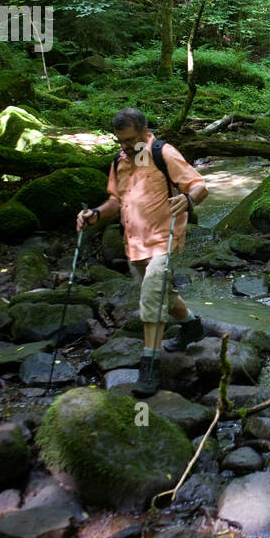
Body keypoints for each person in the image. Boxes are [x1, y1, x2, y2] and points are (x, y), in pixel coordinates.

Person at [76, 108, 208, 397]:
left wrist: (187, 199)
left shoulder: (163, 152)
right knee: (160, 292)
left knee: (151, 295)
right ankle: (190, 326)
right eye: (121, 140)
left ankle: (150, 364)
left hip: (164, 238)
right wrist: (94, 214)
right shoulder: (120, 160)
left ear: (145, 132)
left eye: (131, 139)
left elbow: (198, 185)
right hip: (134, 243)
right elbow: (114, 202)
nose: (126, 146)